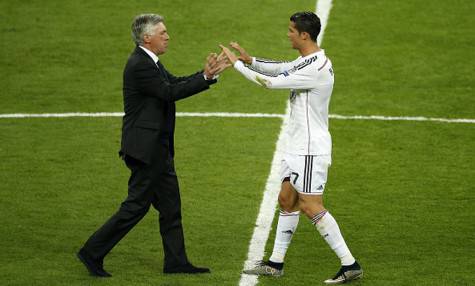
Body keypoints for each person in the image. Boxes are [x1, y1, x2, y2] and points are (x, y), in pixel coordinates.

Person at [77, 13, 229, 277]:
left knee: (170, 205)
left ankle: (176, 262)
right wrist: (204, 79)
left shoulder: (151, 63)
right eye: (163, 33)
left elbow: (173, 82)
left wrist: (206, 75)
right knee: (136, 206)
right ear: (147, 38)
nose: (168, 37)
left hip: (156, 148)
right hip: (146, 150)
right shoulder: (140, 65)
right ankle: (92, 252)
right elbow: (169, 93)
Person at [220, 11, 363, 284]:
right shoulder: (309, 59)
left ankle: (349, 263)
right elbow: (282, 68)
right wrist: (250, 60)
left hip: (309, 150)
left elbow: (271, 82)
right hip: (296, 146)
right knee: (287, 200)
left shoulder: (314, 69)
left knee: (310, 205)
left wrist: (237, 67)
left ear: (304, 35)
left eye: (291, 31)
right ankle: (275, 264)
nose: (288, 34)